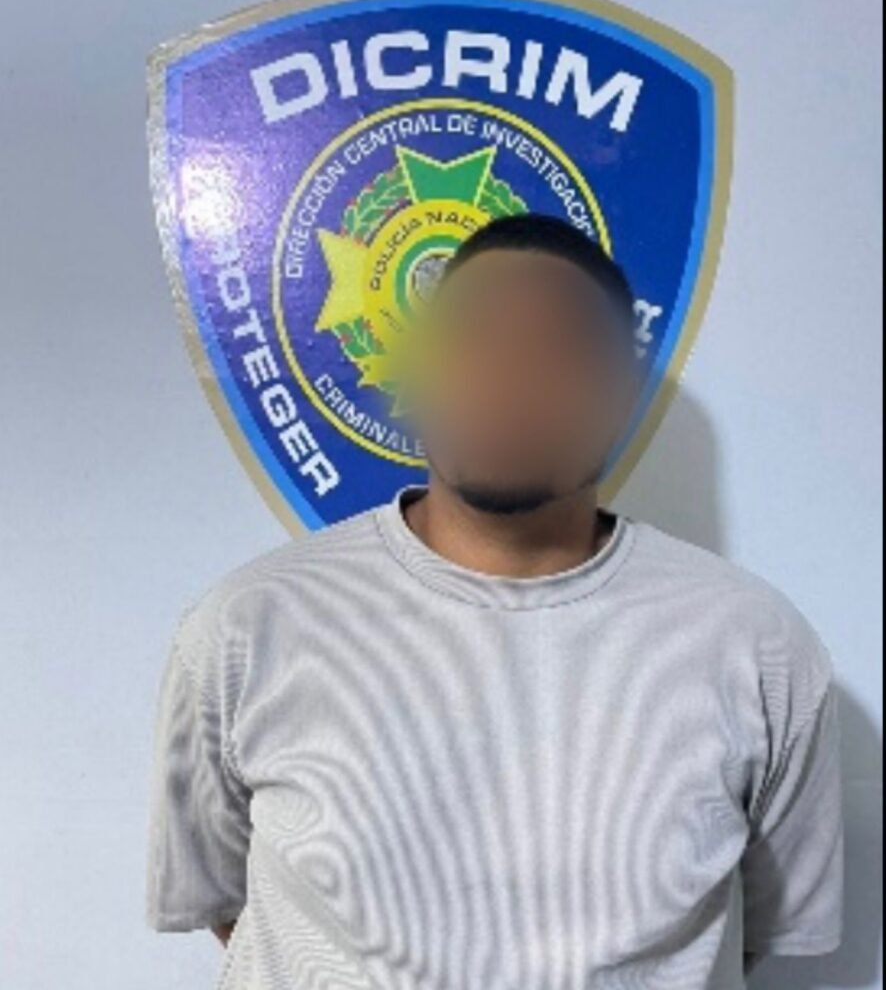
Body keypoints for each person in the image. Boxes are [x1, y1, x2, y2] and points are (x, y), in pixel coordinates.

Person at [144, 212, 844, 988]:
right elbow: (232, 907)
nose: (509, 378)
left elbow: (759, 931)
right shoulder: (246, 628)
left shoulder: (757, 646)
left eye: (559, 347)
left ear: (623, 394)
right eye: (472, 337)